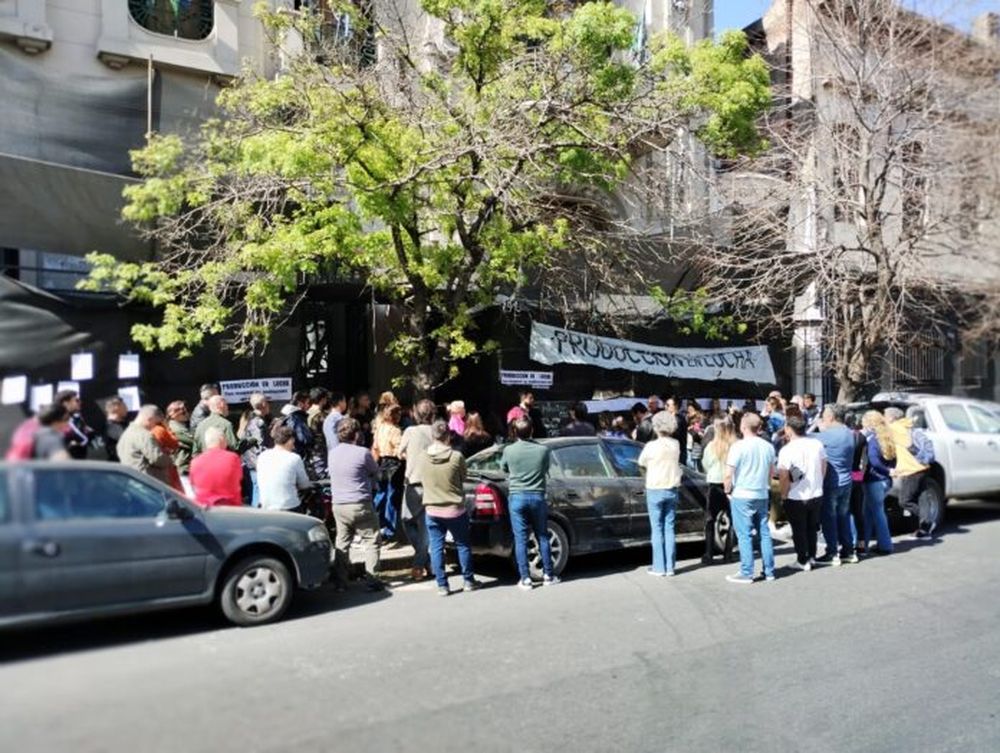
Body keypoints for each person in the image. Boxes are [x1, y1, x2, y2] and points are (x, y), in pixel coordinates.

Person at [417, 420, 481, 595]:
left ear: (433, 436)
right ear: (448, 436)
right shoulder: (456, 457)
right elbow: (463, 477)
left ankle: (442, 585)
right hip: (454, 508)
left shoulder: (422, 457)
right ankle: (468, 580)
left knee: (437, 546)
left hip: (432, 508)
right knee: (462, 544)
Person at [500, 416, 558, 589]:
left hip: (517, 496)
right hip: (537, 496)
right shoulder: (543, 450)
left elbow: (504, 468)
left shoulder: (509, 450)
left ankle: (525, 578)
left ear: (515, 432)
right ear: (532, 430)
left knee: (521, 538)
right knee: (542, 535)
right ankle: (548, 574)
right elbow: (546, 469)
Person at [327, 417, 382, 591]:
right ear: (356, 434)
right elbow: (376, 472)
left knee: (342, 542)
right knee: (371, 540)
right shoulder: (363, 452)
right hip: (360, 502)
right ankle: (372, 580)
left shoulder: (332, 453)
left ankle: (340, 582)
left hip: (339, 505)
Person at [724, 413, 777, 584]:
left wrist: (728, 490)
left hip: (742, 493)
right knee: (764, 532)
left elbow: (728, 473)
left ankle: (747, 571)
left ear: (743, 427)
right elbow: (771, 472)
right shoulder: (768, 447)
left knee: (744, 534)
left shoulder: (738, 446)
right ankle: (769, 570)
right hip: (761, 493)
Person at [777, 414, 827, 571]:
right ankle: (811, 556)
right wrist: (819, 481)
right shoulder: (817, 444)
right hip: (816, 492)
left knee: (798, 529)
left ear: (789, 430)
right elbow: (823, 465)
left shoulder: (786, 450)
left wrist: (783, 494)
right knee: (812, 528)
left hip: (796, 495)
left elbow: (784, 476)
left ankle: (802, 559)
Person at [637, 411, 683, 577]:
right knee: (669, 527)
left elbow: (641, 462)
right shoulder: (675, 444)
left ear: (656, 427)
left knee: (656, 529)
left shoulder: (651, 446)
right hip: (671, 488)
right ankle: (670, 566)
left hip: (655, 488)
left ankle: (659, 567)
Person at [816, 404, 858, 565]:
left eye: (825, 415)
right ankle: (848, 551)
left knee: (829, 518)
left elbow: (802, 436)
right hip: (847, 480)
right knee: (843, 516)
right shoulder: (849, 433)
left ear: (831, 417)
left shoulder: (828, 435)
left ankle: (832, 552)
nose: (823, 418)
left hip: (831, 482)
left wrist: (817, 427)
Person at [884, 406, 935, 538]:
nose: (884, 418)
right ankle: (924, 529)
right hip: (922, 468)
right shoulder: (908, 427)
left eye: (885, 415)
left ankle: (928, 520)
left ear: (891, 418)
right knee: (920, 498)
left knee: (904, 501)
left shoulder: (895, 428)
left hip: (911, 469)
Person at [399, 399, 435, 581]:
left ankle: (419, 564)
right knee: (425, 526)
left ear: (415, 413)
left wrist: (409, 456)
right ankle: (426, 560)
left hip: (412, 482)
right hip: (431, 483)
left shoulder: (410, 431)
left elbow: (399, 452)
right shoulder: (436, 431)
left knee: (407, 521)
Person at [700, 415, 736, 564]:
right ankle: (728, 552)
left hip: (714, 484)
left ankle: (708, 553)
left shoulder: (710, 446)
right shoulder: (735, 445)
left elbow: (705, 464)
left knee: (710, 520)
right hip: (731, 485)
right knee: (732, 519)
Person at [860, 410, 895, 556]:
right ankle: (864, 545)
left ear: (869, 423)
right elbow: (893, 459)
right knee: (868, 513)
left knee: (877, 513)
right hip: (885, 481)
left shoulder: (872, 440)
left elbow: (873, 461)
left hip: (873, 480)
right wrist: (890, 471)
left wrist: (886, 471)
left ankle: (885, 545)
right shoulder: (887, 437)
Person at [256, 423, 312, 512]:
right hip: (288, 507)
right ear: (291, 440)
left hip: (265, 506)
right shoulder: (294, 458)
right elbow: (304, 485)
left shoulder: (262, 456)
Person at [116, 405, 175, 486]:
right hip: (151, 484)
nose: (154, 427)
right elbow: (157, 458)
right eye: (155, 423)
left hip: (135, 484)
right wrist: (170, 460)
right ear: (149, 419)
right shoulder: (144, 435)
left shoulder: (124, 436)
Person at [371, 402, 404, 541]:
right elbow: (399, 449)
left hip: (382, 463)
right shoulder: (395, 430)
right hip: (394, 464)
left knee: (380, 494)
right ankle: (390, 530)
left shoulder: (380, 428)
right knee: (392, 497)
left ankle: (374, 522)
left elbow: (375, 447)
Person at [189, 426, 244, 506]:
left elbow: (193, 485)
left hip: (205, 510)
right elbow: (239, 478)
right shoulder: (233, 458)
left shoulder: (195, 462)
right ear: (222, 439)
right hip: (230, 508)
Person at [237, 392, 272, 507]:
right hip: (257, 464)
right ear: (263, 404)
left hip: (250, 462)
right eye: (267, 402)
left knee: (255, 491)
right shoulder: (258, 422)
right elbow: (260, 445)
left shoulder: (248, 419)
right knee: (258, 493)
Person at [150, 411, 184, 492]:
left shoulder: (147, 430)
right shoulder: (160, 430)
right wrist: (168, 428)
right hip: (166, 465)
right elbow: (174, 443)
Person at [55, 389, 95, 459]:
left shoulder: (77, 418)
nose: (80, 402)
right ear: (65, 403)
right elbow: (83, 439)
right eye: (76, 400)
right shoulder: (60, 420)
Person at [278, 390, 313, 458]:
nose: (309, 406)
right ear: (300, 403)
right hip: (298, 455)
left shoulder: (287, 416)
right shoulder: (296, 418)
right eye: (308, 403)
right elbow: (304, 439)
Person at [102, 396, 131, 462]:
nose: (127, 409)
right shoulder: (111, 427)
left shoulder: (124, 424)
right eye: (124, 406)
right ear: (116, 407)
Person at [665, 397, 689, 467]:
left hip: (676, 457)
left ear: (675, 406)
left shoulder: (677, 420)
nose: (665, 407)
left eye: (668, 405)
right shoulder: (678, 418)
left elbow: (672, 436)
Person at [686, 404, 705, 471]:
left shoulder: (700, 421)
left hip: (696, 449)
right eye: (688, 411)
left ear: (696, 411)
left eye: (691, 410)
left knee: (696, 469)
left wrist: (694, 430)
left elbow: (701, 435)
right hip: (688, 447)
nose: (689, 412)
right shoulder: (687, 420)